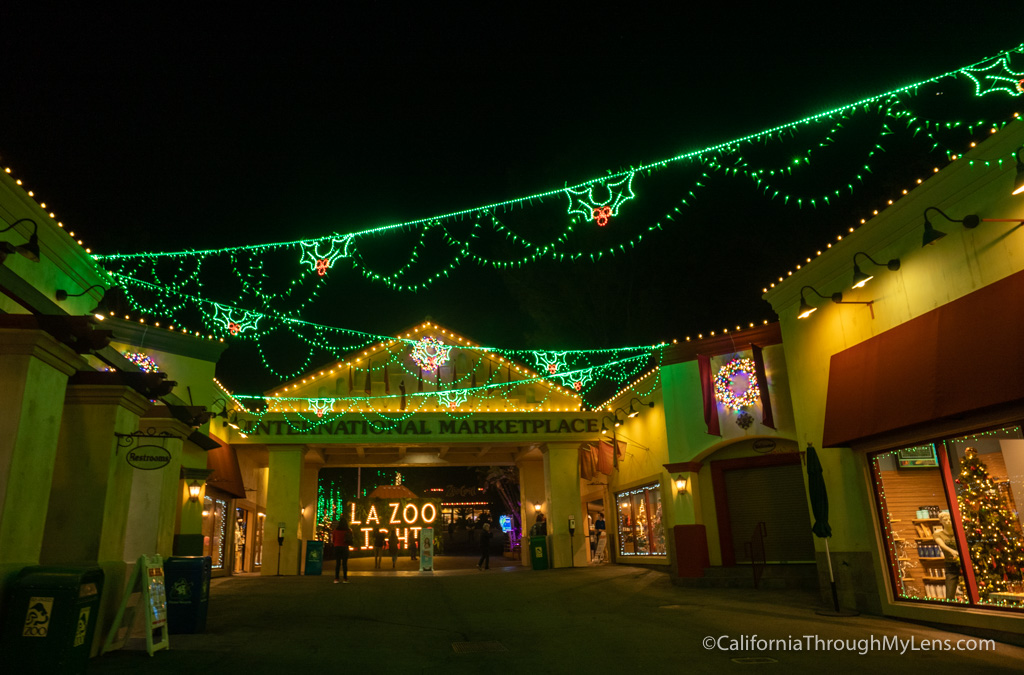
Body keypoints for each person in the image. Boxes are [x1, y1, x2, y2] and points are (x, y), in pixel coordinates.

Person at [933, 510, 961, 600]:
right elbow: (942, 545)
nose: (948, 521)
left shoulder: (959, 532)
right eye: (945, 520)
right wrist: (951, 551)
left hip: (963, 563)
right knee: (950, 592)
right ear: (941, 521)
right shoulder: (938, 534)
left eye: (950, 519)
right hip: (950, 563)